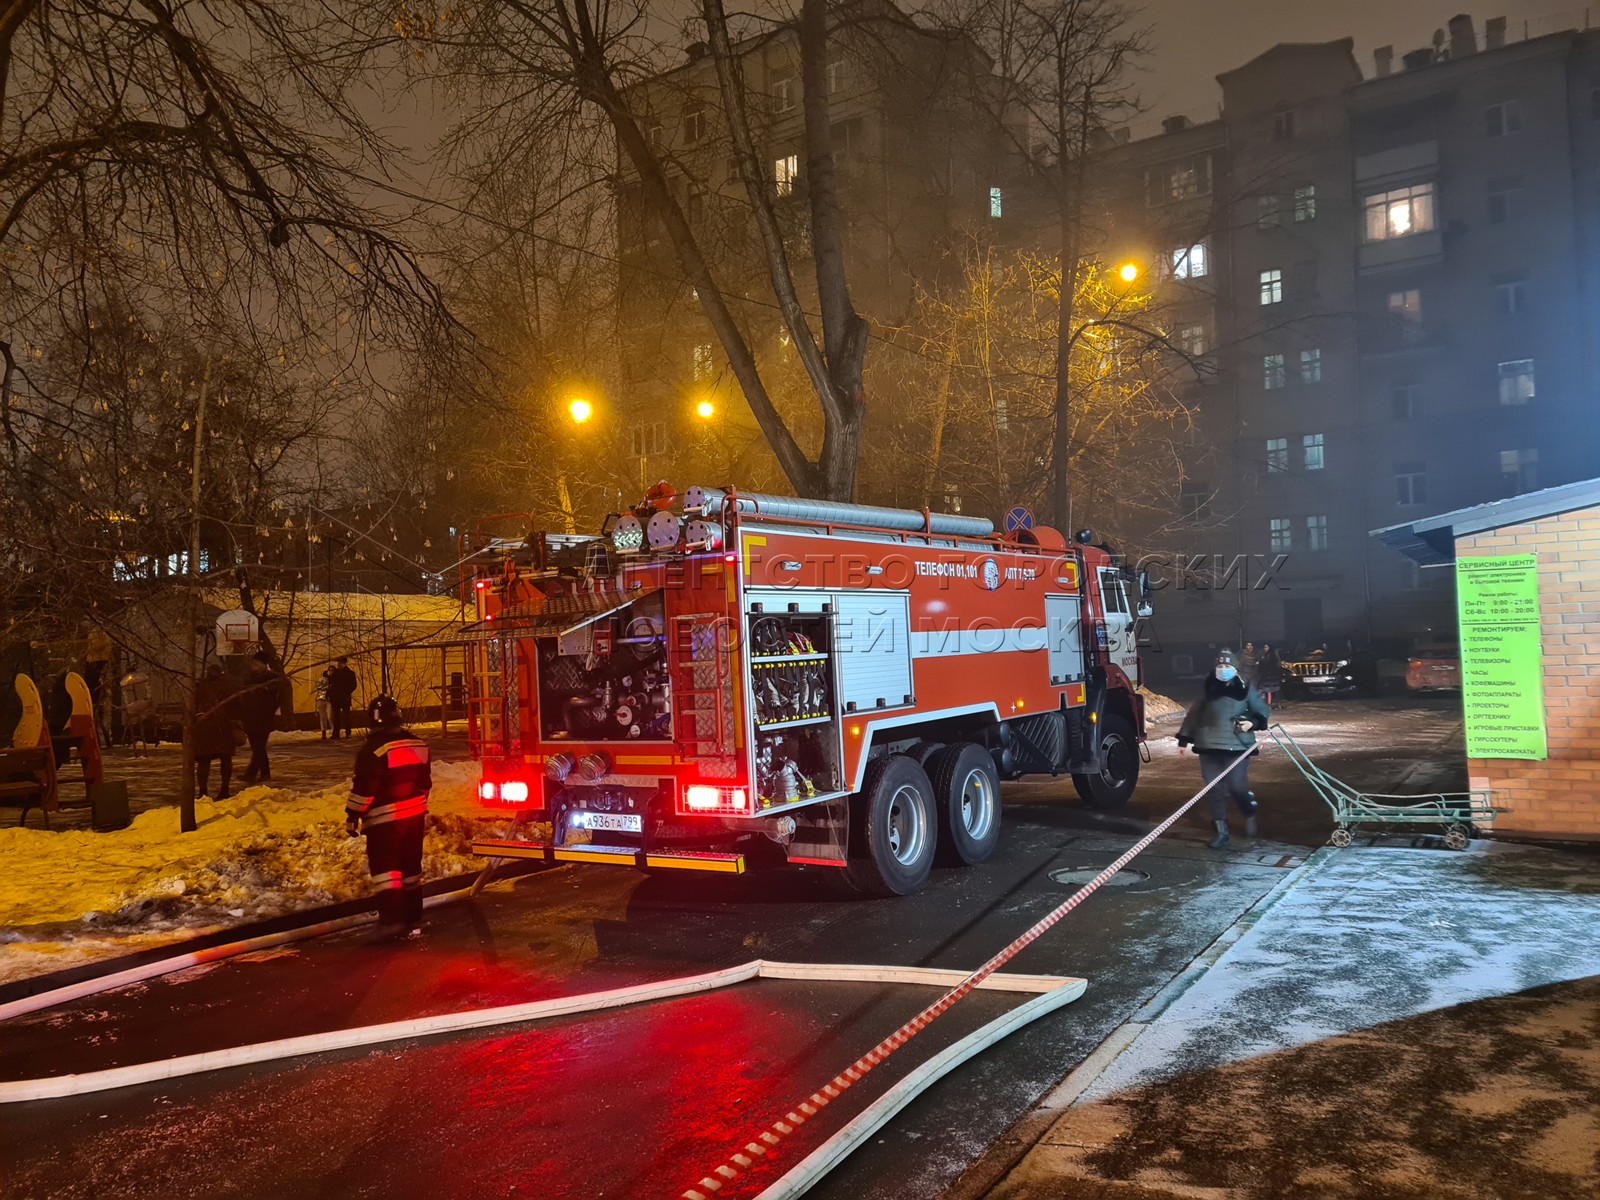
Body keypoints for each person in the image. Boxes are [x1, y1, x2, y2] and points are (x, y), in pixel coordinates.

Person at [346, 695, 432, 939]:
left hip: (384, 820)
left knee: (386, 872)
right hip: (414, 817)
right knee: (411, 869)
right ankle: (413, 916)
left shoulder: (373, 750)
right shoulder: (418, 744)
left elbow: (365, 790)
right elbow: (425, 784)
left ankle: (391, 921)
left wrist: (353, 815)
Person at [1176, 647, 1271, 849]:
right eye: (1220, 665)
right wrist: (1183, 740)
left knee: (1237, 786)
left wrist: (1252, 722)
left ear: (1235, 668)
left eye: (1227, 666)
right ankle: (1221, 831)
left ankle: (1248, 809)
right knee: (1214, 789)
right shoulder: (1208, 688)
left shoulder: (1245, 688)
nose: (1223, 669)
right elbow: (1193, 715)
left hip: (1237, 745)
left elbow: (1262, 710)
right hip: (1208, 745)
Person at [191, 663, 237, 800]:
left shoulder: (200, 687)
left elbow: (193, 706)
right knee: (226, 759)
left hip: (205, 727)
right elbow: (235, 705)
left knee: (204, 761)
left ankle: (203, 791)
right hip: (223, 727)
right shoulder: (227, 687)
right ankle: (225, 789)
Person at [237, 652, 283, 784]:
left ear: (264, 664)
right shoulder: (248, 678)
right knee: (257, 747)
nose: (254, 666)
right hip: (250, 716)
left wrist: (269, 710)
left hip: (264, 717)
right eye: (253, 663)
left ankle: (253, 774)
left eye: (257, 664)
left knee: (259, 747)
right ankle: (263, 773)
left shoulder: (272, 678)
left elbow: (277, 699)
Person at [327, 656, 358, 739]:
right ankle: (336, 733)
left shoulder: (350, 673)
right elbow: (330, 684)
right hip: (335, 698)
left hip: (344, 697)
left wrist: (346, 692)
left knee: (346, 715)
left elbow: (353, 685)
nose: (338, 664)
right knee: (336, 716)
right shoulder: (334, 673)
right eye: (338, 663)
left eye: (340, 663)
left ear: (344, 664)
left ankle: (348, 732)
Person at [314, 665, 336, 740]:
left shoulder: (335, 679)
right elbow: (318, 686)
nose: (331, 672)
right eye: (330, 670)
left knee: (330, 716)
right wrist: (327, 687)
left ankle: (334, 731)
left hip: (330, 700)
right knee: (322, 717)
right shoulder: (322, 678)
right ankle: (323, 733)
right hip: (321, 698)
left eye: (332, 670)